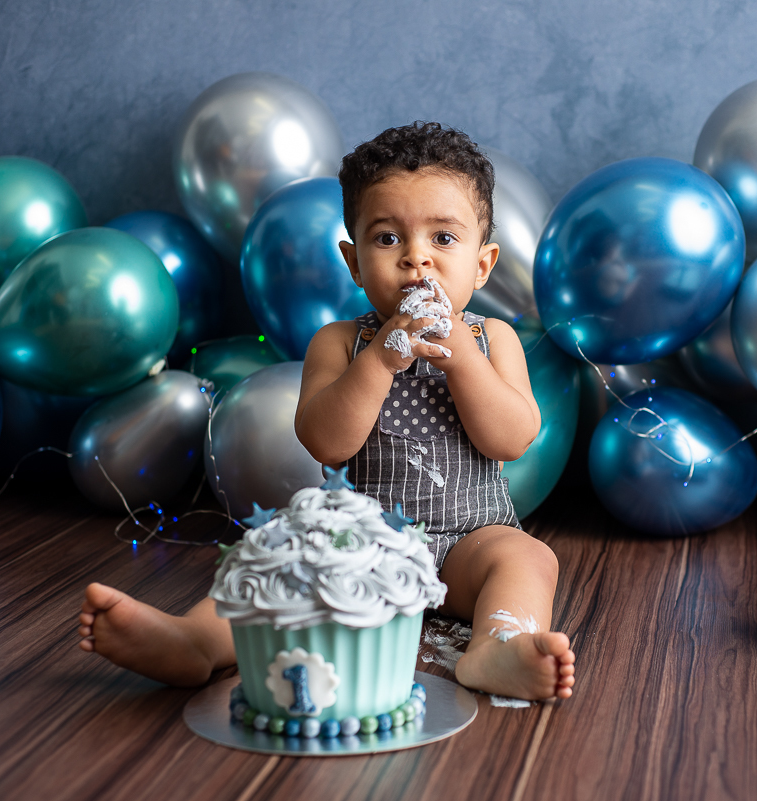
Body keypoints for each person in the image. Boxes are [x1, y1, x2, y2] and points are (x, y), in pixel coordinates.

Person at [78, 122, 575, 702]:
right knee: (277, 561)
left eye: (443, 239)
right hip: (360, 546)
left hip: (470, 544)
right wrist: (380, 363)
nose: (418, 260)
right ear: (354, 262)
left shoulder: (494, 339)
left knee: (529, 556)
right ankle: (196, 641)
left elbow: (512, 439)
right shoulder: (340, 343)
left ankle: (496, 647)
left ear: (483, 264)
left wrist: (462, 358)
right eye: (388, 239)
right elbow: (326, 442)